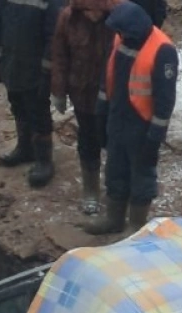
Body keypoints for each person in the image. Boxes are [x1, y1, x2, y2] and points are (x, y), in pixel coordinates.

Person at [84, 1, 178, 234]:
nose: (119, 34)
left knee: (141, 175)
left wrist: (155, 137)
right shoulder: (121, 38)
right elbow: (108, 77)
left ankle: (136, 226)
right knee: (115, 169)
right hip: (118, 117)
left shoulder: (162, 49)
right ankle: (114, 219)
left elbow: (165, 101)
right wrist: (101, 113)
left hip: (142, 124)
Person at [51, 0, 119, 215]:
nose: (93, 14)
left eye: (97, 8)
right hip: (82, 93)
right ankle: (91, 190)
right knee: (88, 140)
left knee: (115, 142)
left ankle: (116, 189)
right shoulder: (68, 18)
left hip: (113, 96)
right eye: (88, 9)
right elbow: (60, 56)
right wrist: (58, 91)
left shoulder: (120, 17)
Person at [0, 0, 67, 188]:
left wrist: (47, 70)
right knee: (17, 105)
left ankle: (44, 160)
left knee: (38, 113)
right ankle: (25, 149)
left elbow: (54, 36)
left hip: (35, 67)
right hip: (11, 61)